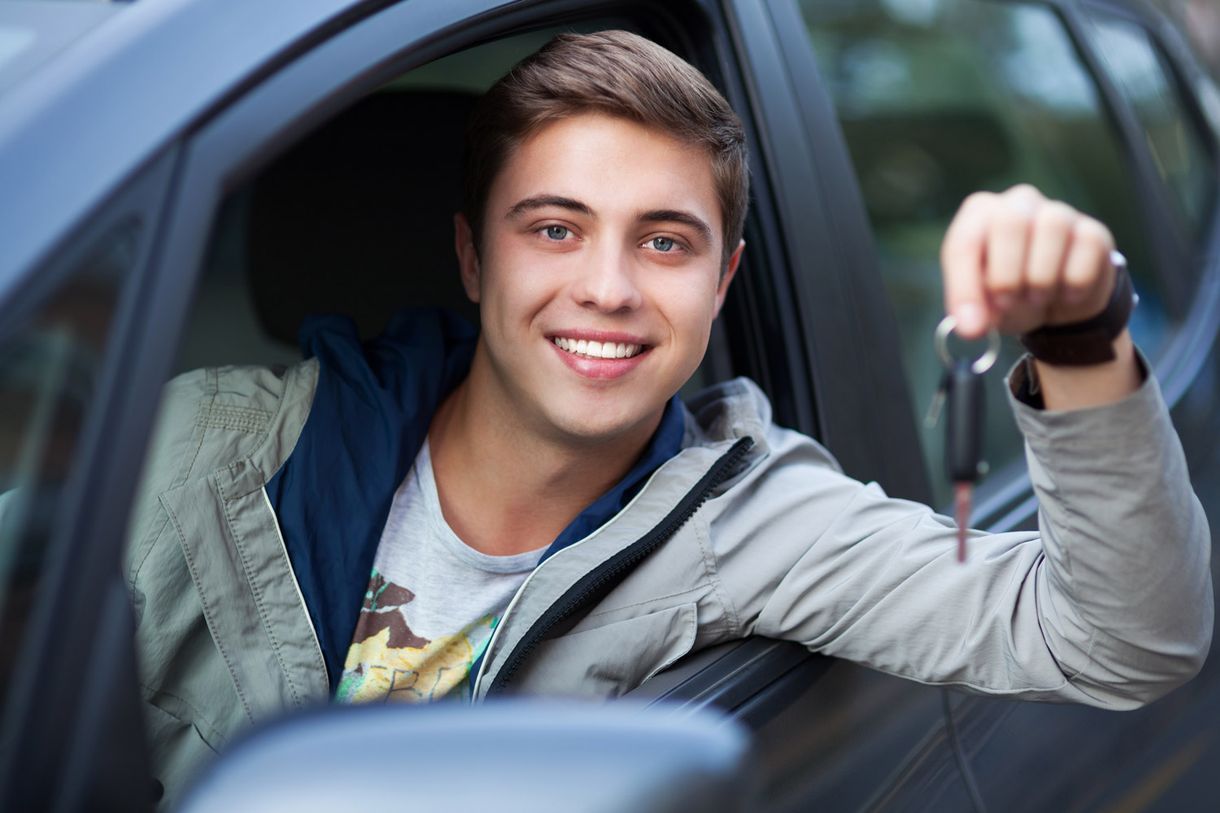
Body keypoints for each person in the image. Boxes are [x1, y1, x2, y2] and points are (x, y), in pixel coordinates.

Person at [124, 30, 1212, 808]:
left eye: (663, 241)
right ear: (470, 254)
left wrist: (1078, 339)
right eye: (553, 230)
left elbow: (1123, 641)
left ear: (723, 277)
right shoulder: (200, 451)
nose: (606, 287)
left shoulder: (754, 520)